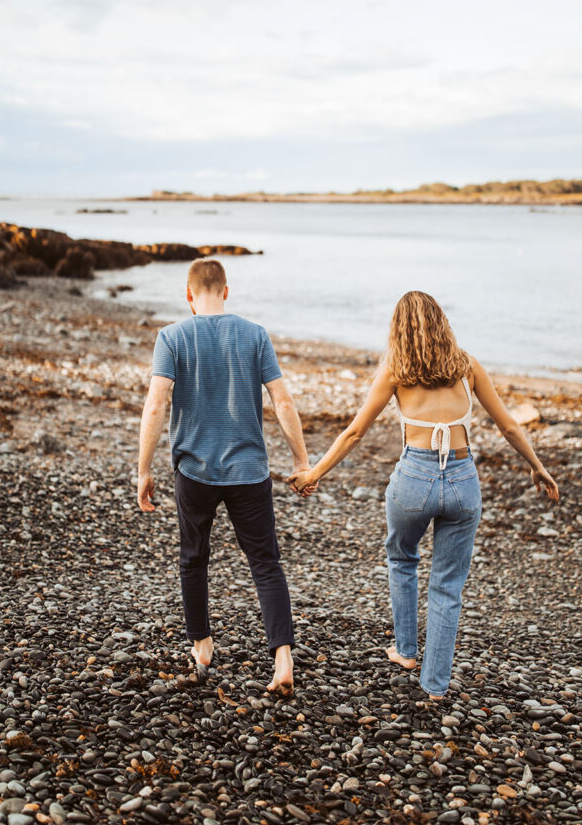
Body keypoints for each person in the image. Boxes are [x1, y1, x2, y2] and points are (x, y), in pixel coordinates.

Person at [289, 290, 559, 701]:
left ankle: (405, 650)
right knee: (448, 586)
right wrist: (538, 466)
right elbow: (508, 427)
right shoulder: (467, 366)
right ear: (441, 322)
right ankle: (435, 686)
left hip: (414, 476)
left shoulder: (394, 370)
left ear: (398, 329)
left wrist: (314, 473)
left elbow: (355, 432)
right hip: (463, 479)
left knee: (402, 557)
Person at [137, 258, 310, 696]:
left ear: (189, 295)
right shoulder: (255, 335)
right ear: (226, 291)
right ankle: (283, 659)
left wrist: (143, 469)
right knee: (266, 563)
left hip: (194, 471)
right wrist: (301, 461)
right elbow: (283, 402)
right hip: (249, 471)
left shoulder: (172, 337)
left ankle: (203, 645)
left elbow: (156, 405)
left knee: (194, 558)